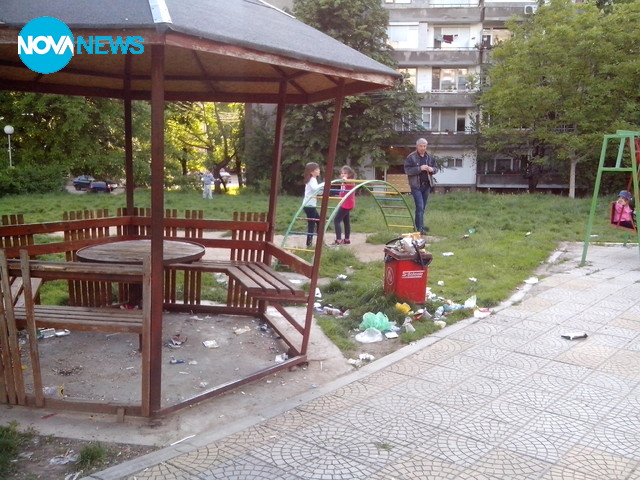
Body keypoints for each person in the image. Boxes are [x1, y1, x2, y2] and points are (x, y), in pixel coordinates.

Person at [404, 138, 438, 235]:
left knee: (422, 208)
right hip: (416, 186)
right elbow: (407, 170)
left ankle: (420, 226)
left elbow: (436, 168)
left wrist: (432, 169)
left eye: (424, 146)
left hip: (427, 186)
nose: (423, 148)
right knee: (420, 206)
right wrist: (420, 168)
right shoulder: (411, 157)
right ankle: (419, 229)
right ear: (417, 146)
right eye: (421, 146)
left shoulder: (429, 157)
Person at [302, 162, 324, 247]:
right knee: (312, 224)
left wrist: (322, 189)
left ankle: (319, 241)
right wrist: (323, 184)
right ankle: (309, 244)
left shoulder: (313, 180)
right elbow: (315, 188)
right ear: (312, 172)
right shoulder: (312, 179)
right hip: (309, 206)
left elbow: (317, 192)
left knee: (319, 222)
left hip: (310, 205)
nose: (319, 171)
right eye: (317, 169)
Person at [333, 165, 356, 245]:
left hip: (346, 204)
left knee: (336, 221)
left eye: (345, 173)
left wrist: (345, 180)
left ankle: (338, 240)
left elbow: (349, 184)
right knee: (346, 221)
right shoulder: (344, 181)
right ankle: (346, 239)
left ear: (349, 174)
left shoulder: (350, 181)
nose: (343, 175)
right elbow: (343, 191)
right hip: (344, 203)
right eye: (342, 173)